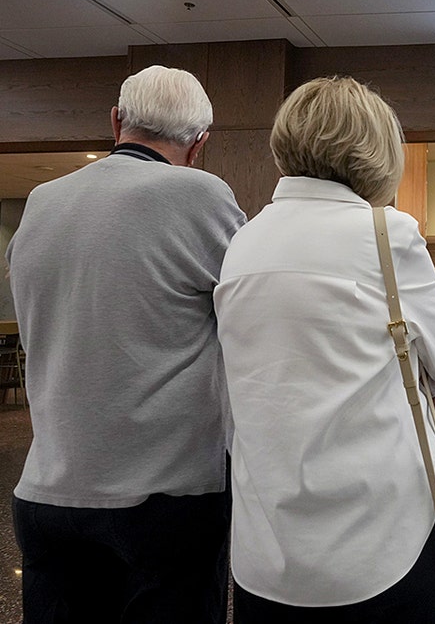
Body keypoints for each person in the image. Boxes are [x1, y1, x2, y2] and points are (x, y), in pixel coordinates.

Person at [214, 76, 435, 621]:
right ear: (376, 149)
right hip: (385, 534)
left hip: (267, 542)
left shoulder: (243, 242)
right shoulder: (387, 233)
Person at [6, 65, 245, 622]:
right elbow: (251, 304)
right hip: (167, 497)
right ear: (199, 143)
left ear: (115, 121)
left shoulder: (42, 201)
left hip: (48, 491)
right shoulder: (199, 194)